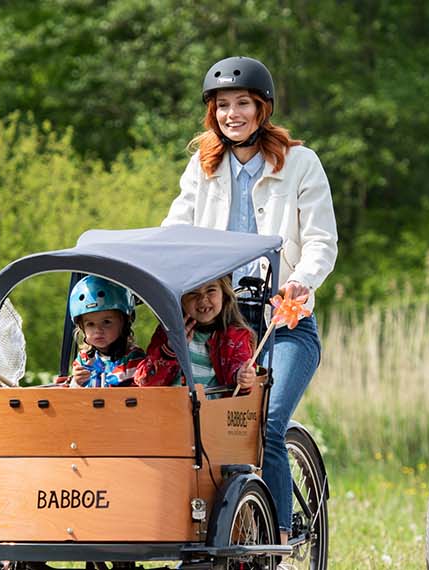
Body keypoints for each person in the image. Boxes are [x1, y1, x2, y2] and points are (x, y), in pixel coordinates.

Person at [162, 55, 337, 544]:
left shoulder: (300, 162)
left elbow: (322, 240)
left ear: (263, 109)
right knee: (204, 424)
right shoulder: (203, 163)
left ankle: (276, 537)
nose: (232, 114)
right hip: (221, 321)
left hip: (285, 321)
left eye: (242, 103)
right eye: (222, 105)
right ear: (211, 112)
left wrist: (302, 281)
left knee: (268, 423)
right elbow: (177, 226)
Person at [132, 277, 258, 394]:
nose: (203, 299)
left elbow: (241, 367)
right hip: (171, 411)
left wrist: (242, 376)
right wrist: (170, 348)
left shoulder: (236, 336)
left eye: (211, 290)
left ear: (224, 295)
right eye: (193, 292)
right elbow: (144, 382)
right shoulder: (166, 333)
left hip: (214, 411)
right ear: (179, 299)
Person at [64, 276, 146, 388]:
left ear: (125, 323)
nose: (98, 330)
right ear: (82, 328)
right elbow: (72, 399)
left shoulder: (134, 359)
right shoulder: (84, 360)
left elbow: (144, 393)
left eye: (106, 322)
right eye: (90, 324)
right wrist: (77, 382)